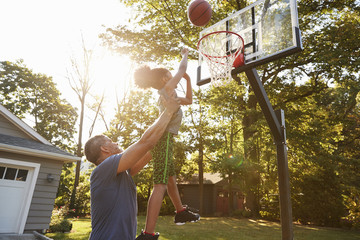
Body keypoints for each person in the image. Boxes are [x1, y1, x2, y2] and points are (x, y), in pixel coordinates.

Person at [84, 94, 180, 240]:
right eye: (111, 141)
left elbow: (150, 151)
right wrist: (168, 111)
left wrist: (167, 132)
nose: (116, 143)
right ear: (104, 149)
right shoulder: (103, 169)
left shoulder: (122, 172)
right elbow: (146, 143)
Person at [133, 48, 200, 240]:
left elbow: (189, 100)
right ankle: (148, 233)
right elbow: (182, 68)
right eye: (170, 75)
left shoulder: (170, 94)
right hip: (163, 139)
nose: (174, 76)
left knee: (170, 179)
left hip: (166, 139)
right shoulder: (167, 89)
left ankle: (180, 212)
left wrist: (187, 80)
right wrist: (184, 55)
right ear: (164, 79)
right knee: (160, 184)